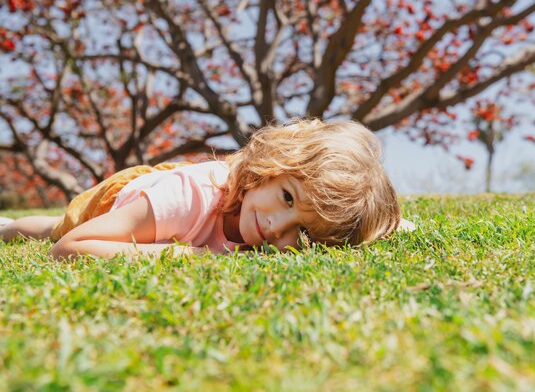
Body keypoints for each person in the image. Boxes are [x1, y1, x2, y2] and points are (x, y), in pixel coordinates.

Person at [0, 118, 413, 260]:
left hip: (209, 189)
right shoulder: (187, 199)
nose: (276, 227)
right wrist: (181, 255)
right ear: (270, 169)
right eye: (288, 198)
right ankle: (8, 226)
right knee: (55, 227)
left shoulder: (272, 215)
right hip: (126, 199)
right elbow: (69, 249)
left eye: (302, 233)